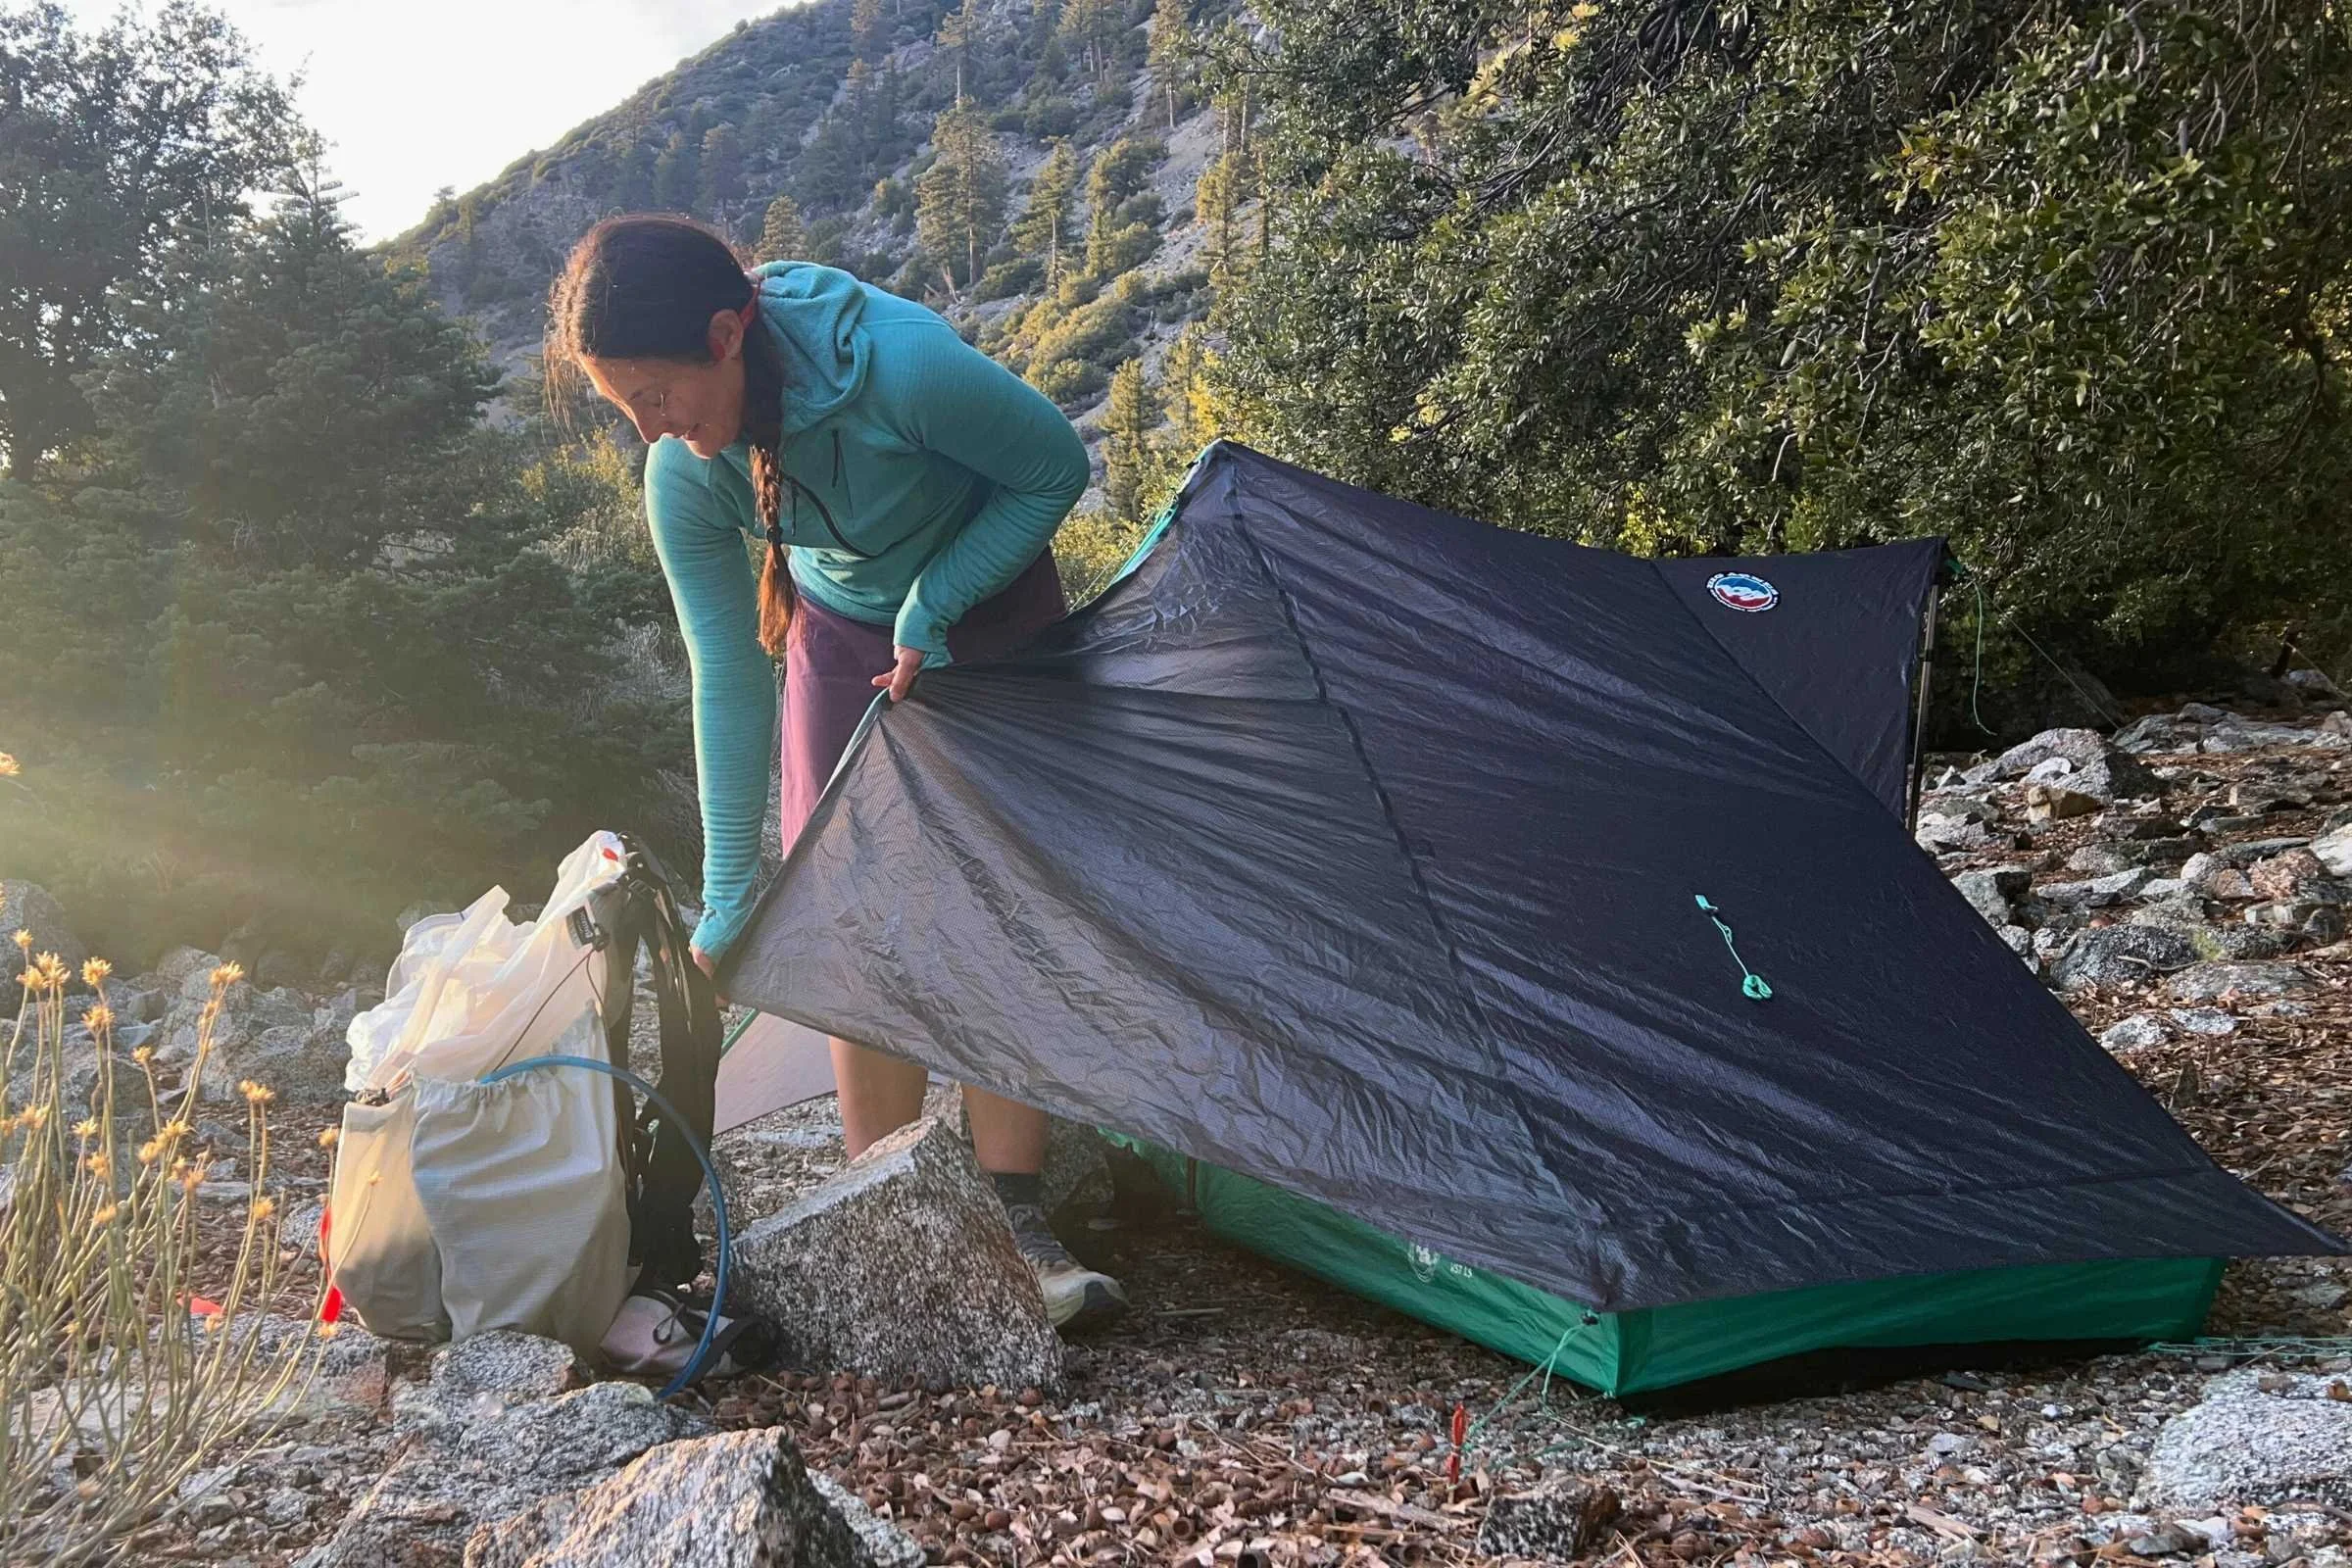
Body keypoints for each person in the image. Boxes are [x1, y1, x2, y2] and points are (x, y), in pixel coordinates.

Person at [544, 214, 1126, 1329]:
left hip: (988, 603)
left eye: (659, 398)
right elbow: (725, 670)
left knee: (1004, 906)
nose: (654, 430)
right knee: (850, 910)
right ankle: (893, 1208)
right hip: (841, 630)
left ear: (725, 335)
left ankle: (1014, 1217)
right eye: (628, 411)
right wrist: (731, 889)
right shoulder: (688, 471)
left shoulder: (896, 369)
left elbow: (1054, 465)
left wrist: (938, 601)